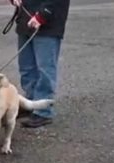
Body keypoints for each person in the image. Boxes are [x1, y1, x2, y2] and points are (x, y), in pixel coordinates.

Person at [10, 0, 70, 128]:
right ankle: (30, 104)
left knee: (45, 70)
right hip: (25, 20)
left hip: (48, 24)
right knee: (26, 68)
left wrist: (42, 15)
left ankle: (44, 111)